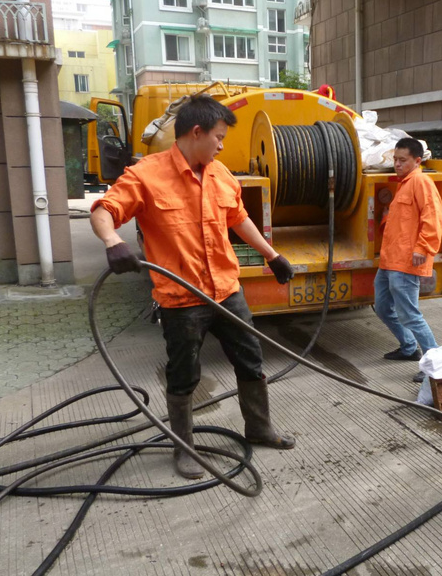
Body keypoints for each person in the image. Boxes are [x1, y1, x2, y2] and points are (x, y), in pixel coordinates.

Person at [90, 95, 296, 480]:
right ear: (196, 132)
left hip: (227, 292)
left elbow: (239, 219)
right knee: (184, 373)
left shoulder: (220, 174)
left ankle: (259, 427)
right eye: (218, 137)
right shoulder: (146, 175)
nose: (221, 145)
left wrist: (272, 255)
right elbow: (105, 210)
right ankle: (184, 447)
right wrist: (111, 242)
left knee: (251, 360)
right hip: (181, 299)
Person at [374, 137, 442, 383]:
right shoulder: (404, 184)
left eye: (402, 160)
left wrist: (423, 248)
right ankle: (408, 347)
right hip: (390, 260)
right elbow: (405, 222)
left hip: (407, 261)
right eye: (395, 159)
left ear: (417, 161)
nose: (397, 164)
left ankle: (434, 363)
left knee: (410, 314)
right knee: (382, 306)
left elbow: (435, 218)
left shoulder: (421, 182)